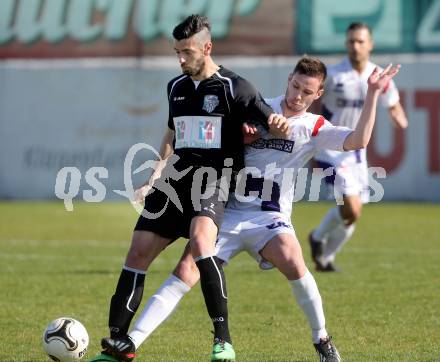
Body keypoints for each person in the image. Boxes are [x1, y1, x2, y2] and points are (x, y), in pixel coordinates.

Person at [122, 57, 401, 361]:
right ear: (289, 78)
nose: (297, 96)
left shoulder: (313, 127)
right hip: (225, 213)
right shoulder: (255, 107)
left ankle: (321, 339)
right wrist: (239, 135)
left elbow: (358, 140)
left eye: (307, 92)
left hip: (269, 218)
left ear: (318, 94)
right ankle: (132, 343)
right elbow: (206, 137)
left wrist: (373, 93)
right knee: (185, 270)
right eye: (295, 86)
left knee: (293, 258)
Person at [88, 14, 289, 362]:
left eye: (187, 52)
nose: (181, 59)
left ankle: (222, 341)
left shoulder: (235, 87)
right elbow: (172, 132)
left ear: (207, 48)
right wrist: (154, 175)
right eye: (177, 52)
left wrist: (277, 125)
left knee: (200, 243)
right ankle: (117, 344)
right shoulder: (176, 87)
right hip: (176, 178)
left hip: (215, 176)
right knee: (137, 250)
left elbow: (269, 122)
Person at [309, 22, 408, 272]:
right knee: (351, 208)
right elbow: (312, 103)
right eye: (351, 41)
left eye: (360, 41)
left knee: (352, 214)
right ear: (346, 44)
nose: (355, 46)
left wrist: (398, 114)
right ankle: (319, 238)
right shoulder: (333, 75)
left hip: (356, 153)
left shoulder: (378, 76)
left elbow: (392, 102)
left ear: (370, 44)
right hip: (329, 148)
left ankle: (324, 256)